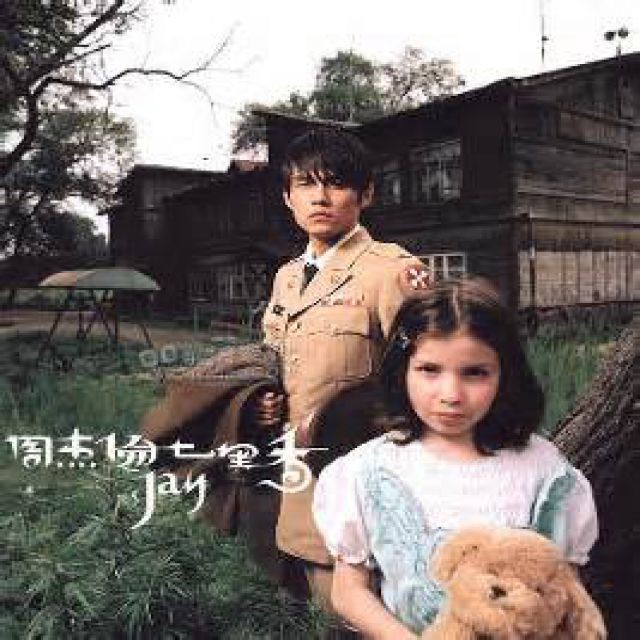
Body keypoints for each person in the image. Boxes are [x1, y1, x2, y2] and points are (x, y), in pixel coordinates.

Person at [312, 278, 598, 639]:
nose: (451, 395)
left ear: (505, 375)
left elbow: (565, 587)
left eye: (474, 373)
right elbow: (349, 591)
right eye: (429, 370)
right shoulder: (367, 471)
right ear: (402, 370)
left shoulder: (542, 470)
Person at [257, 127, 429, 608]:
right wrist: (265, 401)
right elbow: (277, 358)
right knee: (303, 591)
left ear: (365, 194)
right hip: (294, 463)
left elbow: (430, 370)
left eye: (336, 183)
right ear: (288, 197)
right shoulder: (287, 277)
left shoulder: (392, 270)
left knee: (352, 600)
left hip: (361, 466)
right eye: (306, 184)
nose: (321, 197)